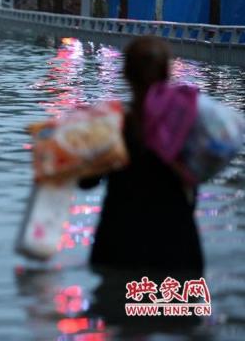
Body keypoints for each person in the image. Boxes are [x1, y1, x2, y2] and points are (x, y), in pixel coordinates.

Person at [80, 36, 204, 274]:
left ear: (125, 74)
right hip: (177, 244)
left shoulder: (112, 125)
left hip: (119, 243)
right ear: (167, 74)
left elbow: (86, 182)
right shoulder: (188, 124)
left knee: (117, 307)